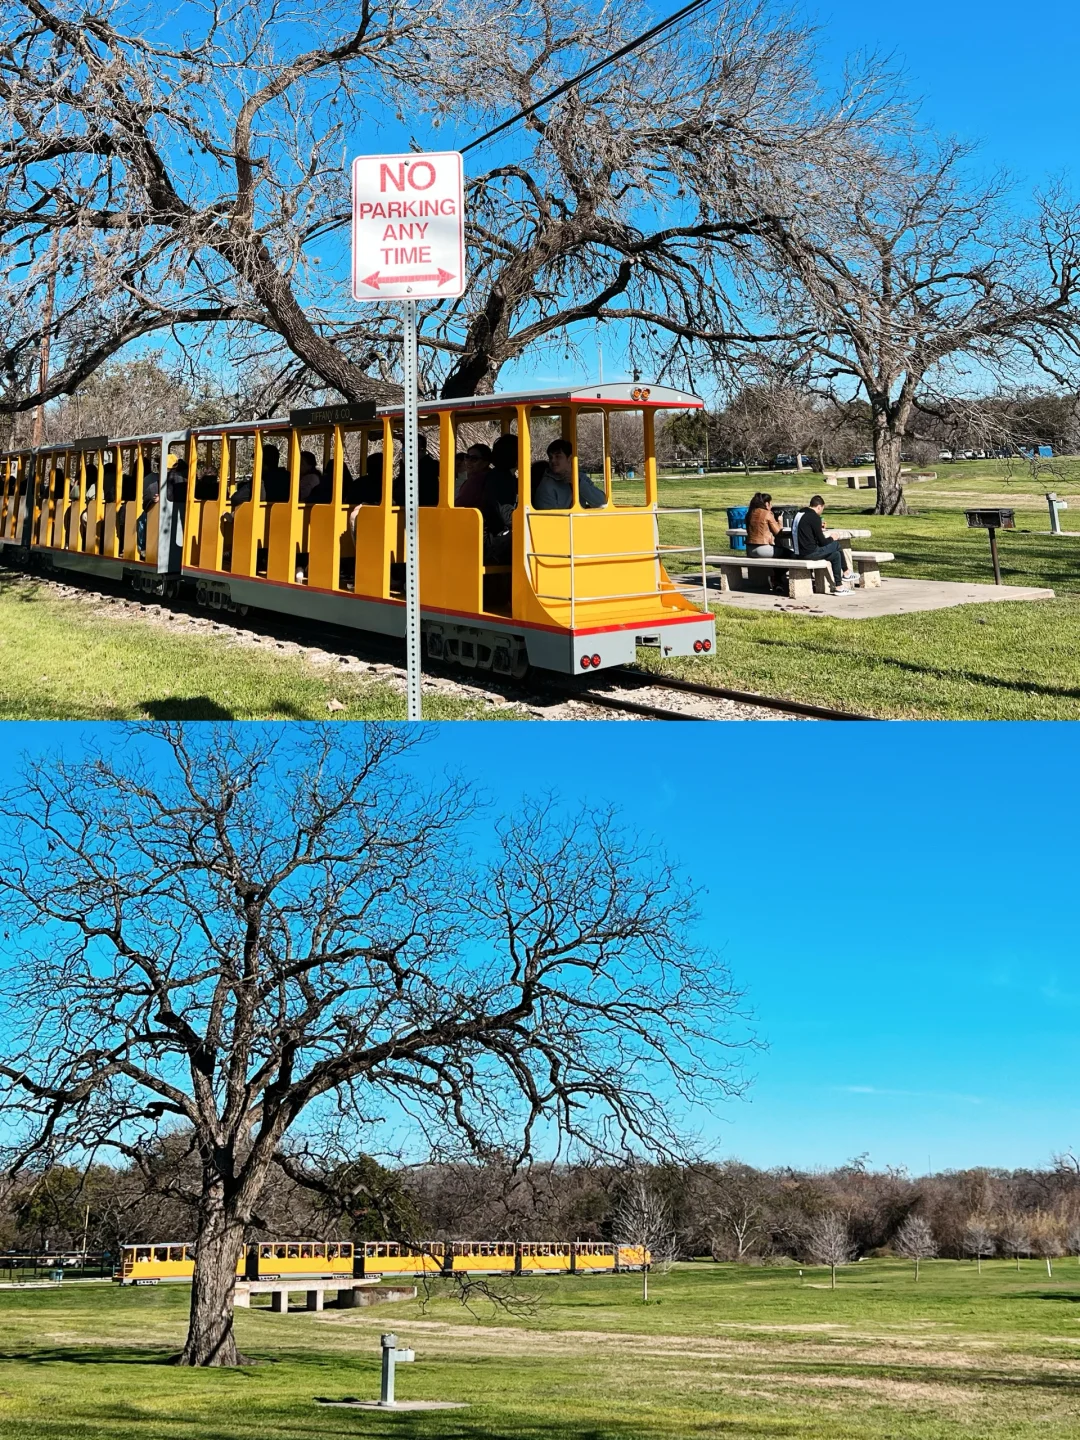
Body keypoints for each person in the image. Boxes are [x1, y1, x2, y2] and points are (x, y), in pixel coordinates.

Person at [789, 494, 853, 594]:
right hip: (809, 553)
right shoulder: (814, 517)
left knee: (835, 555)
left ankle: (839, 587)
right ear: (819, 507)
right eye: (822, 509)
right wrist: (832, 538)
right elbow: (822, 542)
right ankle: (846, 572)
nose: (821, 512)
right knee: (836, 545)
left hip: (797, 552)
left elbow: (806, 532)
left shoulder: (799, 513)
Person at [532, 438, 606, 510]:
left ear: (570, 458)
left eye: (558, 456)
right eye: (550, 457)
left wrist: (578, 483)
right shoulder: (547, 485)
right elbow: (548, 518)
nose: (552, 460)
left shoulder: (581, 478)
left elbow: (602, 503)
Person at [392, 432, 440, 507]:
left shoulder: (428, 469)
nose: (407, 453)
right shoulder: (406, 468)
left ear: (423, 450)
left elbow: (402, 494)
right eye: (405, 449)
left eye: (412, 449)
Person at [455, 443, 493, 511]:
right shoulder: (490, 476)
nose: (468, 461)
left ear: (485, 462)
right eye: (467, 457)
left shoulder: (476, 480)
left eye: (474, 458)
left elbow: (458, 505)